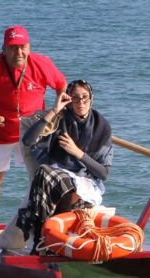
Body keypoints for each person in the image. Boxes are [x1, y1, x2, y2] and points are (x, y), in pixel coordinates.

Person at [0, 25, 67, 237]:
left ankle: (44, 222)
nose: (18, 52)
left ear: (29, 47)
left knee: (40, 178)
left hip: (33, 132)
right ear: (3, 49)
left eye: (22, 47)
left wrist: (56, 112)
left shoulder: (42, 64)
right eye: (13, 48)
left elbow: (61, 86)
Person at [16, 80, 113, 252]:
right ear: (68, 100)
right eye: (75, 98)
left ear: (92, 99)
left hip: (85, 183)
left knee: (53, 177)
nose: (81, 103)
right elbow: (28, 141)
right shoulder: (58, 119)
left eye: (85, 97)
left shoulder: (101, 126)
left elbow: (103, 173)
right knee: (46, 172)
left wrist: (78, 153)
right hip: (52, 180)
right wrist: (55, 109)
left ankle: (45, 241)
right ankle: (44, 238)